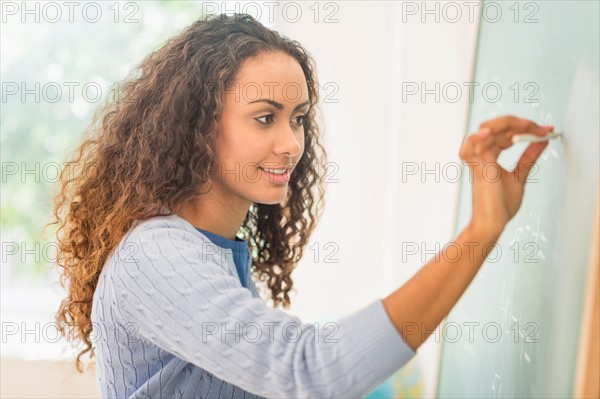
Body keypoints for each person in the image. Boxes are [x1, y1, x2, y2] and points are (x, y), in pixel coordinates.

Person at [50, 13, 554, 398]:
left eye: (298, 118)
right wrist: (482, 229)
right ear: (198, 125)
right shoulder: (158, 256)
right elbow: (310, 371)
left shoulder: (214, 251)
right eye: (265, 117)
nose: (293, 143)